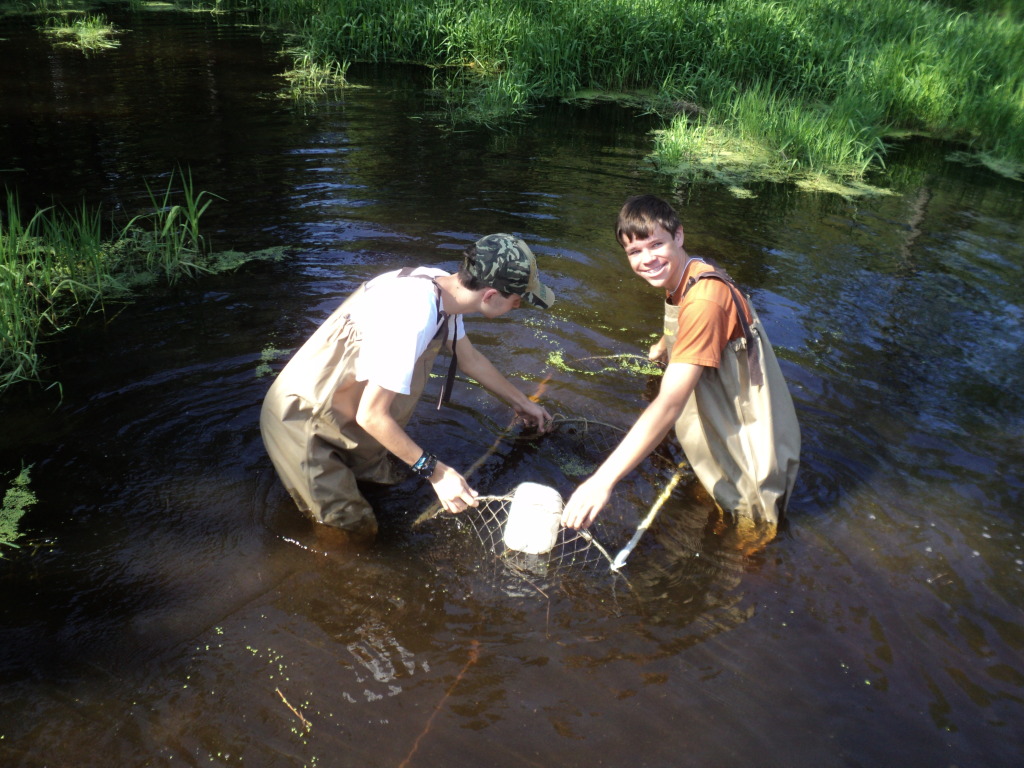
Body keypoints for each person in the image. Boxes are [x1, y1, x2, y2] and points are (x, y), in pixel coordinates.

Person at [261, 233, 556, 540]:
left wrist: (521, 402)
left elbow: (470, 359)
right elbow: (372, 416)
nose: (517, 307)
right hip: (303, 422)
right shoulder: (413, 313)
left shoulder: (443, 286)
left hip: (341, 413)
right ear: (490, 295)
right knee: (354, 529)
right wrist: (437, 472)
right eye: (517, 301)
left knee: (386, 483)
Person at [561, 195, 800, 531]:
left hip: (750, 463)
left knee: (749, 544)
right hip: (723, 432)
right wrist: (664, 344)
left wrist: (602, 480)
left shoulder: (704, 301)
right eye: (634, 251)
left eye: (655, 244)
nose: (647, 260)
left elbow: (670, 404)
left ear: (679, 236)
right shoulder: (686, 274)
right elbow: (686, 319)